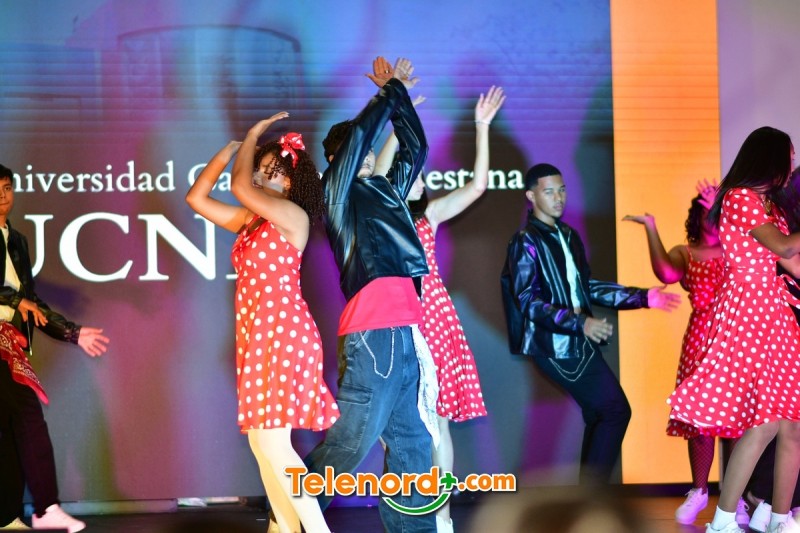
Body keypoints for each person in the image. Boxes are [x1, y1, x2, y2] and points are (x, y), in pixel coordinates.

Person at [303, 56, 439, 533]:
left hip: (405, 332)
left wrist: (400, 99)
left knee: (412, 446)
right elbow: (361, 135)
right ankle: (292, 514)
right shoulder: (336, 194)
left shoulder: (386, 192)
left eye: (366, 155)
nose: (365, 157)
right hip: (372, 336)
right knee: (351, 442)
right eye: (354, 154)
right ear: (336, 161)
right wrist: (387, 92)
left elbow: (416, 148)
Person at [185, 118, 339, 533]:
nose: (256, 173)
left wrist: (253, 137)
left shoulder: (292, 215)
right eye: (258, 166)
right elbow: (196, 198)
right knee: (261, 442)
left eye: (267, 167)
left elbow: (239, 187)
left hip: (284, 333)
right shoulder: (252, 220)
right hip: (259, 334)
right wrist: (228, 150)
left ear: (287, 179)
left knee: (273, 442)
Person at [373, 86, 505, 532]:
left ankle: (442, 518)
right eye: (413, 172)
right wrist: (398, 119)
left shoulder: (428, 218)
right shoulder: (383, 218)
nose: (421, 177)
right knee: (399, 431)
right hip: (396, 325)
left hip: (435, 323)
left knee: (439, 427)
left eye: (421, 172)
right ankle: (408, 510)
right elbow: (382, 171)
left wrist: (481, 127)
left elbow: (478, 185)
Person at [500, 163, 680, 484]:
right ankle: (591, 499)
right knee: (614, 411)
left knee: (601, 415)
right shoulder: (525, 241)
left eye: (562, 190)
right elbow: (527, 300)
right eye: (549, 192)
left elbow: (586, 287)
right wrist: (580, 322)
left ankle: (585, 501)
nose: (558, 198)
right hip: (557, 345)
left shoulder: (568, 235)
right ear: (531, 196)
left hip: (575, 340)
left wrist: (642, 297)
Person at [667, 126, 800, 533]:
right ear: (769, 159)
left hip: (775, 313)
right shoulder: (740, 198)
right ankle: (723, 520)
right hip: (749, 312)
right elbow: (784, 247)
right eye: (789, 157)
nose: (792, 164)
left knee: (792, 424)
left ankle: (779, 518)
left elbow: (792, 262)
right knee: (766, 422)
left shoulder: (770, 205)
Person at [623, 180, 749, 524]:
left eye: (718, 211)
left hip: (735, 338)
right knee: (700, 421)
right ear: (696, 217)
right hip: (699, 341)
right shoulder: (686, 252)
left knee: (735, 422)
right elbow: (665, 271)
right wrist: (650, 227)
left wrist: (725, 207)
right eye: (708, 211)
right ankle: (699, 491)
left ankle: (735, 497)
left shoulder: (736, 248)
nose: (713, 217)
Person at [0, 163, 109, 532]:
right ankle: (44, 507)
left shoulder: (16, 240)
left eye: (7, 187)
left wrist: (73, 333)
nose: (2, 196)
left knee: (14, 427)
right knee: (26, 420)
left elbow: (32, 304)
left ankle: (8, 515)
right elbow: (19, 300)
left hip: (10, 343)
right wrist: (14, 301)